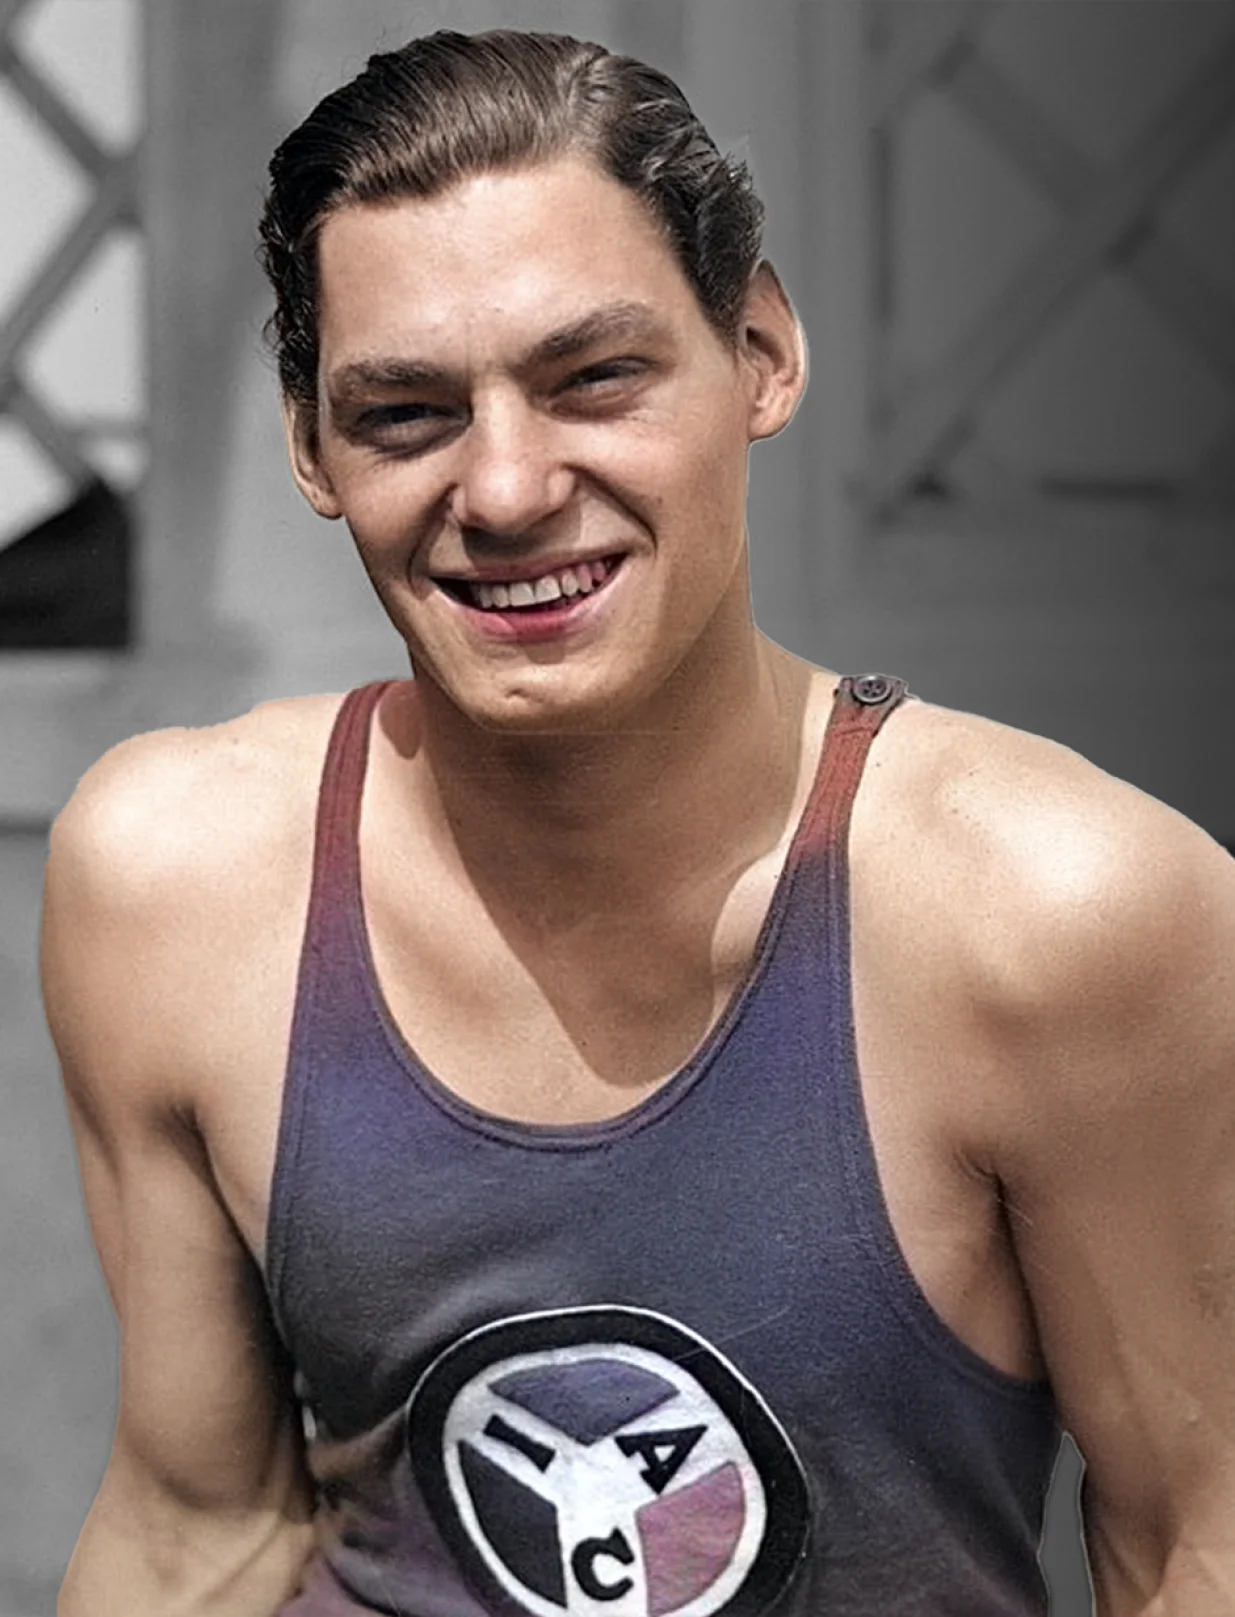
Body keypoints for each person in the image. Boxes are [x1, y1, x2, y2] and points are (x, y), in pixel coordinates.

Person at [43, 27, 1235, 1617]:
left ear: (760, 354)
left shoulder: (1064, 912)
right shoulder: (175, 877)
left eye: (594, 378)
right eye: (405, 412)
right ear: (310, 446)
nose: (508, 488)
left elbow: (1193, 1544)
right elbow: (197, 1528)